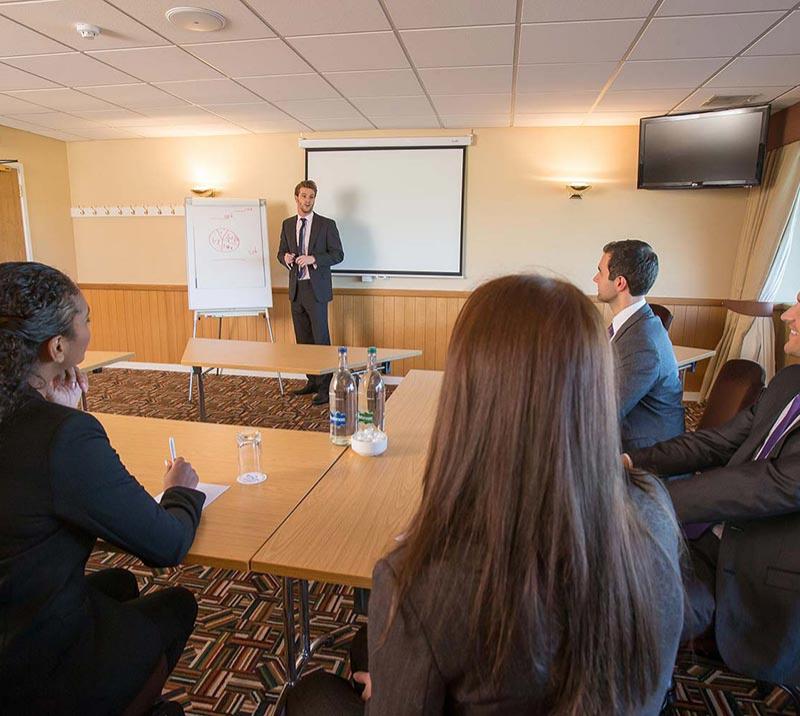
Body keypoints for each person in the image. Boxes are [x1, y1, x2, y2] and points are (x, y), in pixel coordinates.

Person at [288, 274, 684, 715]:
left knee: (312, 695)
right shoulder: (652, 508)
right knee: (369, 643)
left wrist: (385, 692)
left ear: (466, 395)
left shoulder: (420, 580)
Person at [0, 262, 206, 715]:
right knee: (178, 605)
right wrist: (180, 491)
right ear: (57, 346)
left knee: (118, 582)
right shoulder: (63, 439)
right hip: (31, 673)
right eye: (86, 319)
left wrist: (61, 414)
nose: (91, 326)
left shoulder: (32, 419)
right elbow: (165, 545)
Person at [625, 291, 800, 686]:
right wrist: (633, 462)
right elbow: (715, 443)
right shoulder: (790, 381)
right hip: (710, 535)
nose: (788, 314)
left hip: (760, 565)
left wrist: (649, 498)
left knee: (638, 611)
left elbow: (764, 484)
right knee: (615, 572)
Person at [594, 239, 684, 451]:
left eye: (600, 272)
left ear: (620, 283)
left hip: (643, 453)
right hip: (630, 434)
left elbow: (605, 412)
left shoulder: (642, 343)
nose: (595, 278)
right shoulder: (635, 324)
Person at [277, 180, 344, 406]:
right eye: (304, 196)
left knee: (321, 339)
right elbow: (280, 253)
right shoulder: (287, 224)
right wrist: (285, 259)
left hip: (316, 291)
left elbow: (338, 255)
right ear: (296, 197)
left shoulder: (327, 225)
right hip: (296, 289)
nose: (307, 200)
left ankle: (326, 387)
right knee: (304, 340)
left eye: (311, 197)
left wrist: (314, 258)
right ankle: (312, 381)